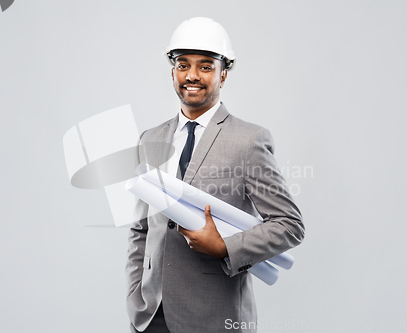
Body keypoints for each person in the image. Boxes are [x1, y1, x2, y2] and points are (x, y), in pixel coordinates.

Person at [126, 17, 305, 333]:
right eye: (183, 65)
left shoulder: (248, 140)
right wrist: (135, 299)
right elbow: (142, 229)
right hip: (151, 317)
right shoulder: (150, 139)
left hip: (214, 318)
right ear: (172, 72)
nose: (192, 75)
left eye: (205, 66)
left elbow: (289, 225)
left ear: (224, 74)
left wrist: (225, 246)